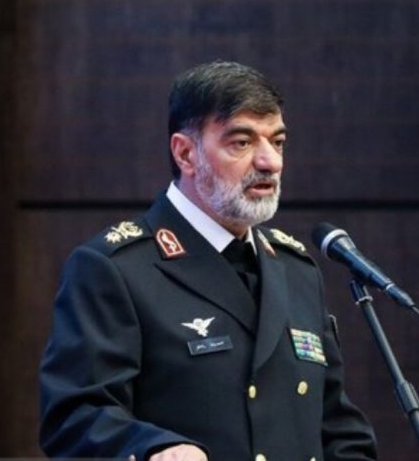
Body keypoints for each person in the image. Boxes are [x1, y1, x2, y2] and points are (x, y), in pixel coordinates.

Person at [38, 61, 377, 460]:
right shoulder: (115, 268)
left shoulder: (297, 270)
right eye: (242, 142)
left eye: (278, 142)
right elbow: (75, 417)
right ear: (185, 153)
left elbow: (338, 429)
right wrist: (153, 448)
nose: (270, 161)